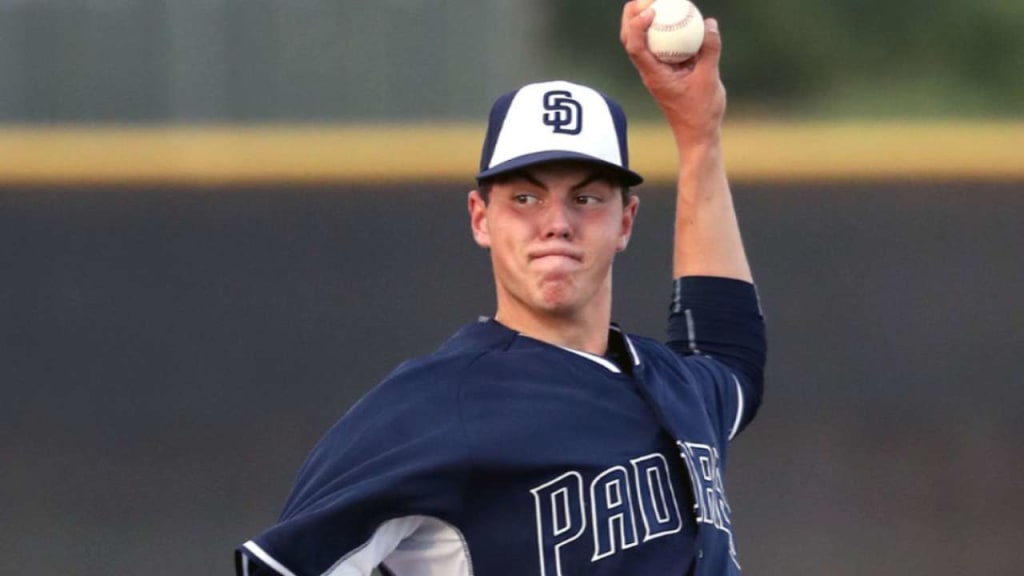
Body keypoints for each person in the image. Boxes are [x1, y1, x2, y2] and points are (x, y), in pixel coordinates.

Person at [235, 2, 765, 575]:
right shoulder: (437, 404)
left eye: (586, 198)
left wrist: (699, 136)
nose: (556, 221)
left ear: (626, 222)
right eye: (526, 198)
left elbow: (726, 348)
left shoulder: (682, 388)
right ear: (480, 218)